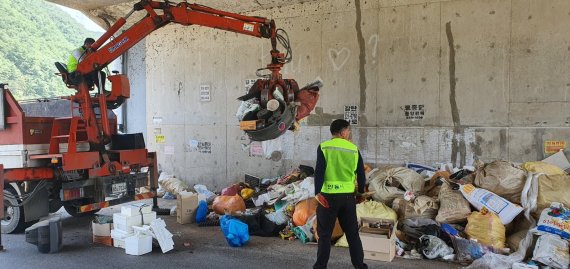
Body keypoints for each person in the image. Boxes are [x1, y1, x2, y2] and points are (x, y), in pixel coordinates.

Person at [313, 119, 367, 269]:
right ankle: (359, 266)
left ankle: (320, 267)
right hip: (348, 198)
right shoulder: (353, 149)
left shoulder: (324, 147)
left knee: (324, 236)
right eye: (348, 130)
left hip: (327, 197)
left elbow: (319, 172)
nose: (349, 133)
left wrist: (317, 193)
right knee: (352, 235)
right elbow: (361, 174)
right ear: (342, 132)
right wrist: (360, 193)